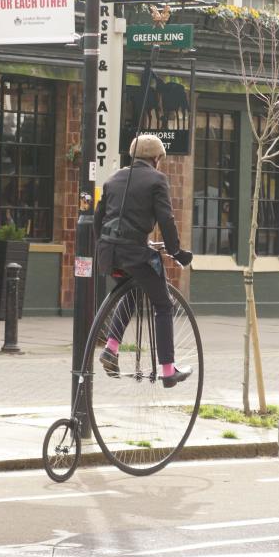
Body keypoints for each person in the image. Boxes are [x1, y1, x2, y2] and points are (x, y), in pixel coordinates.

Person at [93, 134, 194, 388]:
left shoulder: (113, 178)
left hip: (109, 253)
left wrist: (107, 244)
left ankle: (112, 348)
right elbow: (166, 219)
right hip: (134, 253)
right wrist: (177, 252)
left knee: (132, 292)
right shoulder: (156, 180)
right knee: (163, 305)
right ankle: (169, 370)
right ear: (156, 158)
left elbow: (98, 218)